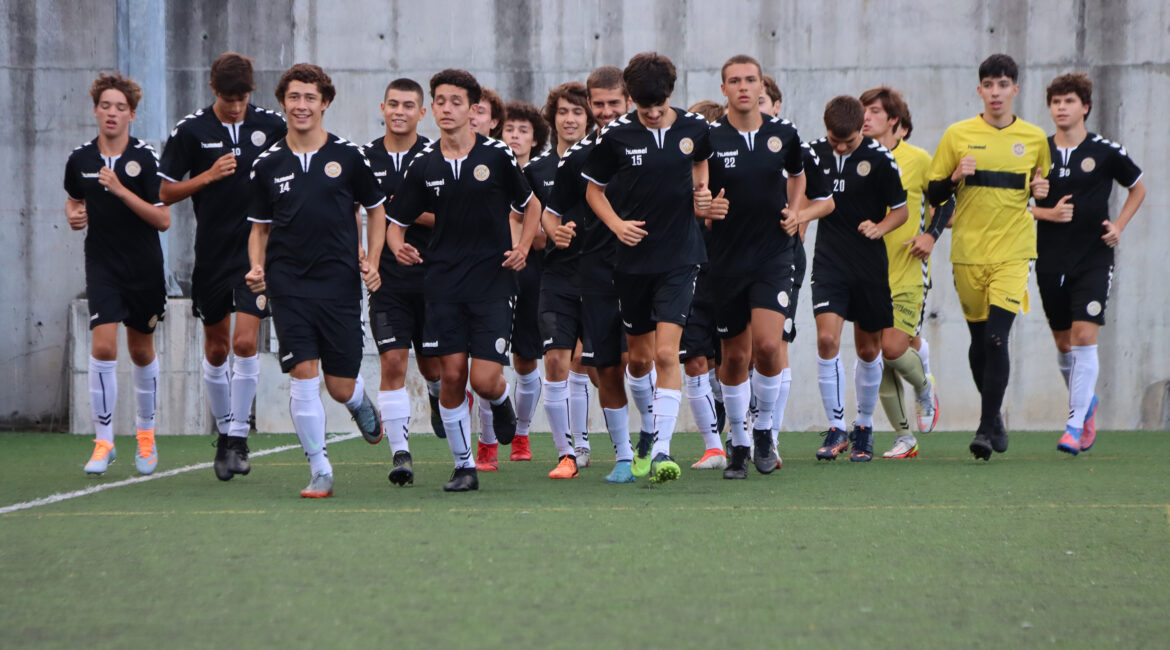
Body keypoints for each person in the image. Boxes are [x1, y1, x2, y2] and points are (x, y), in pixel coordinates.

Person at [388, 69, 541, 492]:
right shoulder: (424, 164)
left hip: (493, 282)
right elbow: (396, 219)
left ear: (474, 109)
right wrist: (397, 243)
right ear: (432, 108)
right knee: (452, 375)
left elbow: (531, 206)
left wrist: (524, 248)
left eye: (457, 101)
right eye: (440, 100)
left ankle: (500, 398)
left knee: (482, 380)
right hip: (442, 285)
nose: (447, 108)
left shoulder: (497, 156)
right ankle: (464, 466)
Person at [245, 63, 385, 498]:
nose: (301, 106)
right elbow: (260, 229)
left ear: (325, 103)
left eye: (310, 98)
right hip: (287, 284)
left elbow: (377, 209)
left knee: (339, 384)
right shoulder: (267, 164)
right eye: (294, 97)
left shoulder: (348, 156)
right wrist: (257, 267)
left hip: (339, 281)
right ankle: (320, 468)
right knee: (303, 373)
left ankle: (360, 400)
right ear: (283, 102)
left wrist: (373, 259)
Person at [582, 52, 714, 484]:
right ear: (632, 101)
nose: (654, 115)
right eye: (645, 109)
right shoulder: (616, 136)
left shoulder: (695, 128)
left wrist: (702, 190)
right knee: (637, 362)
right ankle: (646, 431)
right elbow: (593, 192)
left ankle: (661, 450)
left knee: (664, 353)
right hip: (632, 261)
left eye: (659, 108)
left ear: (671, 95)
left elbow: (701, 160)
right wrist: (617, 225)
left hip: (680, 256)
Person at [158, 52, 287, 481]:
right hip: (212, 253)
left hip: (255, 254)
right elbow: (164, 191)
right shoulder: (191, 131)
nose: (236, 106)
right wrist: (207, 177)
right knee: (217, 349)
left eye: (243, 97)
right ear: (214, 91)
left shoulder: (271, 126)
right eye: (229, 98)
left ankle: (237, 438)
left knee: (246, 344)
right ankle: (224, 434)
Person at [707, 56, 831, 478]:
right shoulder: (710, 138)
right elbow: (696, 191)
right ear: (723, 89)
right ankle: (737, 443)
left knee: (767, 346)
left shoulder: (784, 133)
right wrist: (705, 206)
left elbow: (800, 179)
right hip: (725, 261)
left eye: (750, 80)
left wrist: (796, 213)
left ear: (762, 86)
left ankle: (763, 433)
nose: (743, 87)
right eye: (734, 81)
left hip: (773, 257)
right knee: (735, 356)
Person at [927, 53, 1051, 461]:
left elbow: (1037, 186)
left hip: (1014, 251)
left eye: (1003, 85)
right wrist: (955, 177)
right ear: (979, 90)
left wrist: (1040, 193)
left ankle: (984, 427)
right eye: (989, 85)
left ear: (1015, 89)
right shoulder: (957, 134)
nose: (996, 93)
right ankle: (994, 415)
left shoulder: (1034, 139)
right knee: (980, 342)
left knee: (998, 337)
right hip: (968, 253)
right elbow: (934, 195)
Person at [1033, 72, 1145, 455]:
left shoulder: (1106, 150)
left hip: (1094, 257)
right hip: (1049, 259)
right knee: (1064, 343)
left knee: (1084, 336)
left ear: (1085, 107)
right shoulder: (1038, 151)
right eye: (1056, 102)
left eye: (1068, 101)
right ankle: (1087, 404)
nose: (1061, 108)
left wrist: (1119, 226)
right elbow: (1018, 205)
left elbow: (1138, 186)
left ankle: (1074, 423)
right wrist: (1040, 206)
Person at [66, 72, 171, 476]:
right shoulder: (80, 160)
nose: (112, 113)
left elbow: (163, 220)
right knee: (104, 348)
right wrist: (74, 215)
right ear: (96, 110)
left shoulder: (145, 159)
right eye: (106, 106)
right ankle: (104, 441)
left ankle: (146, 438)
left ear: (132, 115)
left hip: (143, 269)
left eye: (120, 108)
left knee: (141, 351)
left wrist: (122, 190)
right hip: (103, 265)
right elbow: (73, 201)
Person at [543, 67, 640, 483]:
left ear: (629, 102)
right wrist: (557, 231)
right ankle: (614, 454)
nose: (603, 112)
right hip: (593, 274)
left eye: (612, 104)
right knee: (603, 367)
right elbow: (548, 214)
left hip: (646, 271)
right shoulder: (577, 159)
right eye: (596, 105)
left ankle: (655, 442)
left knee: (644, 359)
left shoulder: (649, 149)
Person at [801, 96, 908, 462]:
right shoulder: (812, 153)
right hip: (829, 263)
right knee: (827, 339)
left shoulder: (880, 159)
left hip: (868, 265)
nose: (841, 146)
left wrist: (880, 227)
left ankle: (863, 427)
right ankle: (836, 427)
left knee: (867, 349)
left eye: (847, 141)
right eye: (834, 140)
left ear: (862, 125)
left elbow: (901, 211)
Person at [362, 77, 443, 486]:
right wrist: (363, 255)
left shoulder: (435, 156)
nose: (399, 111)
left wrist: (402, 213)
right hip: (387, 282)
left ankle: (434, 394)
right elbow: (350, 208)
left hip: (433, 279)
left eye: (408, 105)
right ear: (382, 107)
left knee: (432, 365)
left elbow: (453, 214)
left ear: (421, 112)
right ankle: (401, 453)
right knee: (393, 362)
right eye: (393, 104)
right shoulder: (363, 158)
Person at [858, 86, 944, 459]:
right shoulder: (857, 159)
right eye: (864, 110)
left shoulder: (919, 159)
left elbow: (947, 203)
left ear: (895, 120)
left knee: (894, 349)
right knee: (874, 355)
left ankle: (925, 388)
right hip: (867, 271)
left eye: (875, 111)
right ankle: (904, 437)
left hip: (909, 269)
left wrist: (930, 235)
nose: (866, 117)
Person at [471, 100, 550, 471]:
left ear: (535, 140)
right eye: (510, 130)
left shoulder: (537, 176)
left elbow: (539, 240)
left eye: (524, 131)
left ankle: (521, 433)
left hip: (528, 274)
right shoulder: (486, 169)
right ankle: (487, 444)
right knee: (488, 363)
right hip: (486, 274)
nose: (515, 137)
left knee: (526, 357)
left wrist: (518, 223)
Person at [524, 84, 596, 478]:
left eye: (578, 112)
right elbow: (529, 234)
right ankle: (569, 451)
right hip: (555, 276)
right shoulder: (535, 172)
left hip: (600, 275)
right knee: (555, 360)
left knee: (595, 365)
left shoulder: (603, 162)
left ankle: (626, 442)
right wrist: (550, 233)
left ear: (589, 119)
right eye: (564, 112)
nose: (570, 119)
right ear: (553, 119)